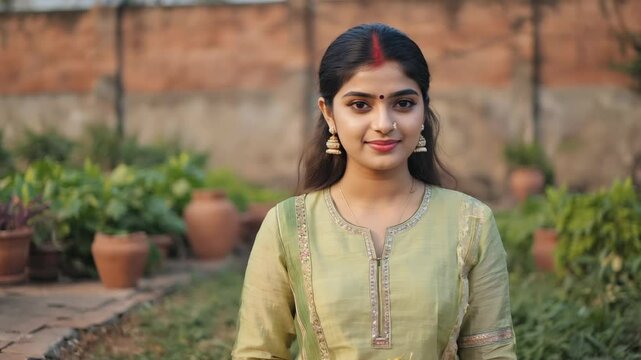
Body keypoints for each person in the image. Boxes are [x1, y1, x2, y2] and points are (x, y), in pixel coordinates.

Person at [232, 23, 516, 360]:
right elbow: (258, 352)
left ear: (423, 110)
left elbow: (492, 353)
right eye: (360, 105)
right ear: (329, 113)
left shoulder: (471, 223)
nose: (384, 123)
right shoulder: (287, 226)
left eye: (403, 104)